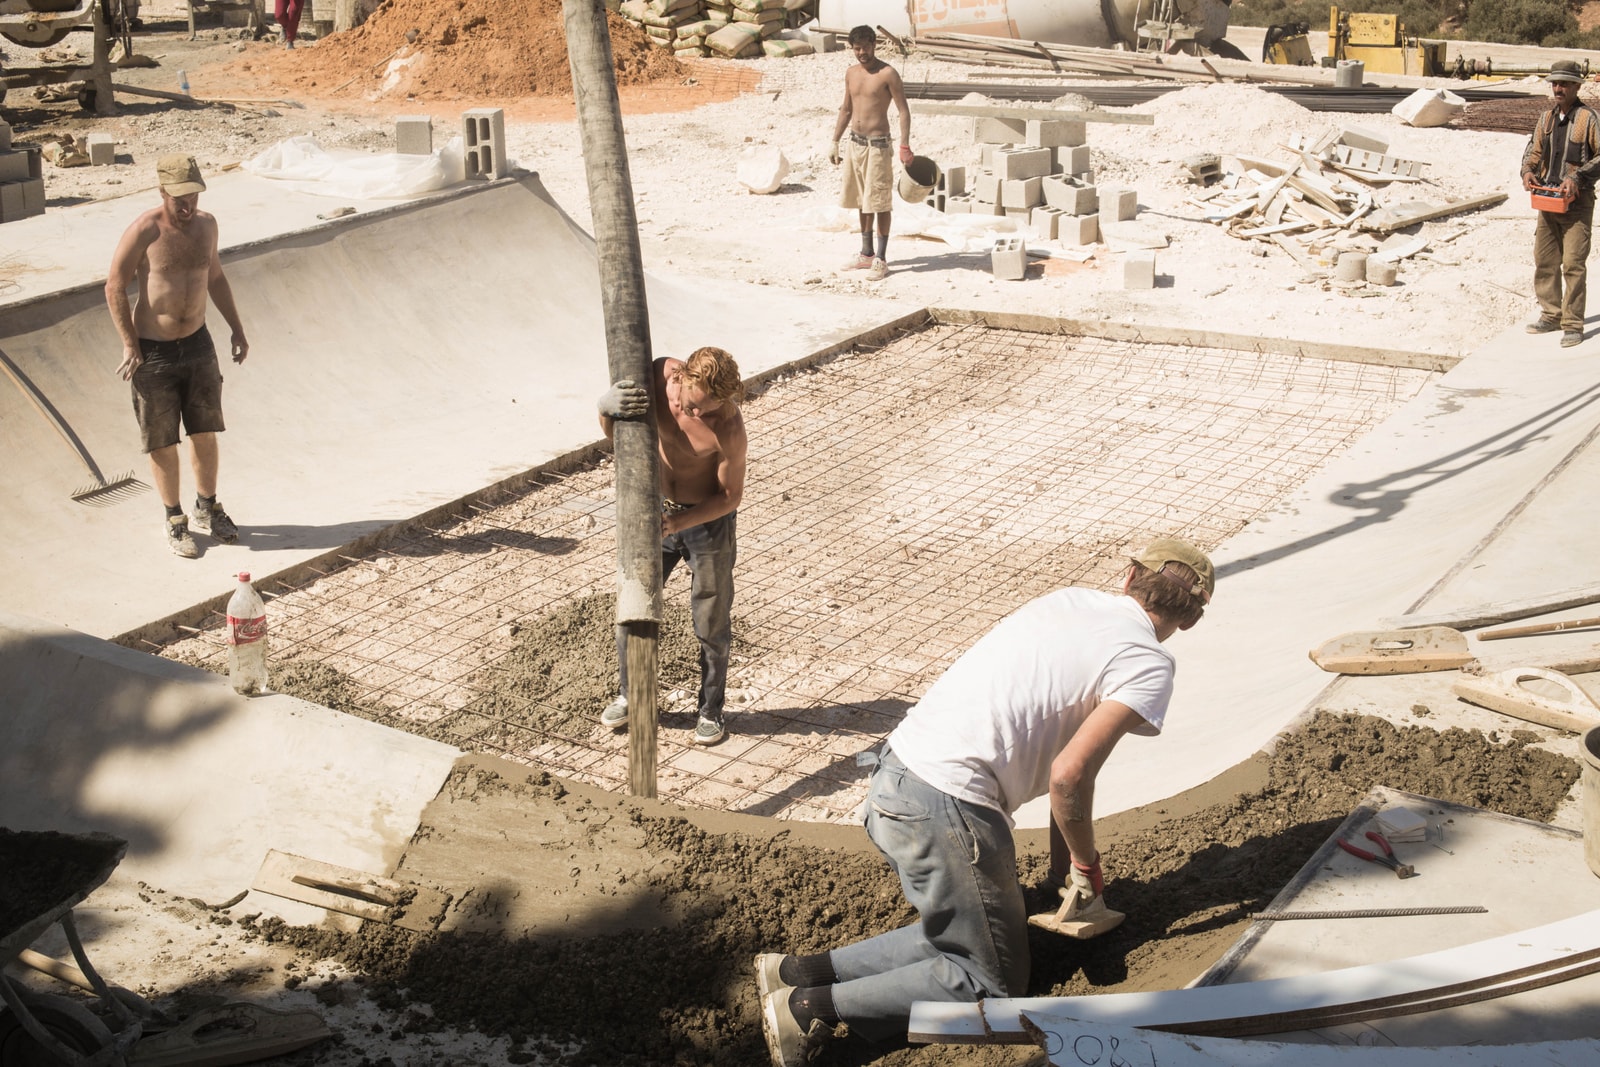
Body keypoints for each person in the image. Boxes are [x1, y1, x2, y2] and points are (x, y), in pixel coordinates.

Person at [754, 539, 1215, 1066]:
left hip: (898, 774)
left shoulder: (1068, 602)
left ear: (1129, 576)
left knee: (977, 931)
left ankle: (798, 972)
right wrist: (1087, 867)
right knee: (989, 978)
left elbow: (1068, 770)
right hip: (948, 805)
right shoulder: (1148, 662)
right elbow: (1069, 774)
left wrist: (1058, 875)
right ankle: (812, 1008)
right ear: (1192, 619)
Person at [596, 347, 748, 746]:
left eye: (707, 410)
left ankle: (710, 710)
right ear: (681, 378)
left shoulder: (727, 425)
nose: (696, 415)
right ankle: (633, 695)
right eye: (692, 406)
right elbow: (620, 436)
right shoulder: (658, 377)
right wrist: (604, 408)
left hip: (707, 523)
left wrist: (680, 522)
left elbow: (731, 496)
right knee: (636, 606)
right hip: (655, 511)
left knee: (711, 621)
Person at [106, 154, 249, 559]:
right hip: (153, 351)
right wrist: (130, 343)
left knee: (205, 430)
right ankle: (175, 519)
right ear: (162, 191)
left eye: (193, 197)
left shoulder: (207, 226)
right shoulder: (144, 231)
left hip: (199, 344)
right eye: (178, 199)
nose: (187, 207)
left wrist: (236, 328)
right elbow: (114, 286)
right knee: (162, 439)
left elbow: (215, 276)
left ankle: (208, 507)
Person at [1521, 59, 1600, 349]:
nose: (1558, 88)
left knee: (1573, 264)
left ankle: (1573, 324)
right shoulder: (1546, 119)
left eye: (1564, 83)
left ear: (1577, 86)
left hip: (1577, 204)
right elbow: (1532, 152)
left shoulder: (1588, 119)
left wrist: (1577, 179)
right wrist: (1527, 173)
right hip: (1547, 200)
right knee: (1545, 260)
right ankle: (1551, 315)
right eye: (1555, 83)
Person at [831, 26, 913, 284]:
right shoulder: (851, 73)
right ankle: (866, 253)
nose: (862, 53)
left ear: (874, 45)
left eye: (866, 47)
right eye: (857, 48)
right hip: (855, 144)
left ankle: (881, 258)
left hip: (878, 146)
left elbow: (903, 111)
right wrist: (834, 141)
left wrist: (904, 145)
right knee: (861, 200)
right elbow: (845, 109)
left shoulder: (888, 73)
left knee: (879, 201)